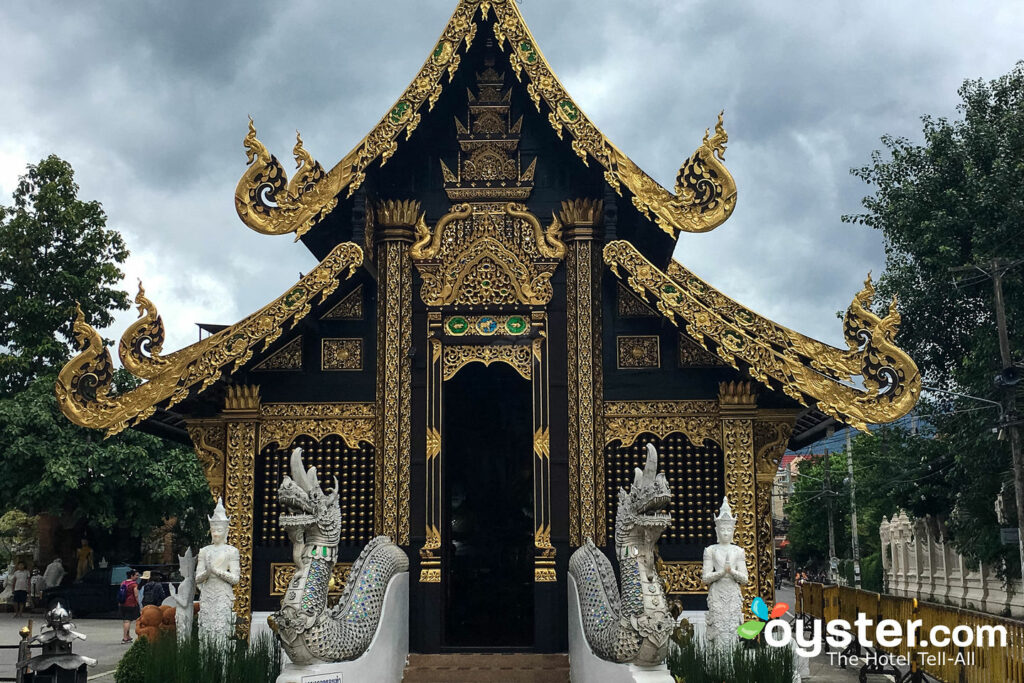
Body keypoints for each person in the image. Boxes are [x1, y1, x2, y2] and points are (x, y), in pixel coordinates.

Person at [118, 569, 141, 643]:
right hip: (130, 604)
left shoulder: (123, 583)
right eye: (136, 575)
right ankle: (124, 638)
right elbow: (136, 595)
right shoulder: (134, 584)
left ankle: (128, 636)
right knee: (127, 621)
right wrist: (139, 604)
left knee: (126, 620)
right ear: (132, 576)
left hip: (122, 604)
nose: (138, 577)